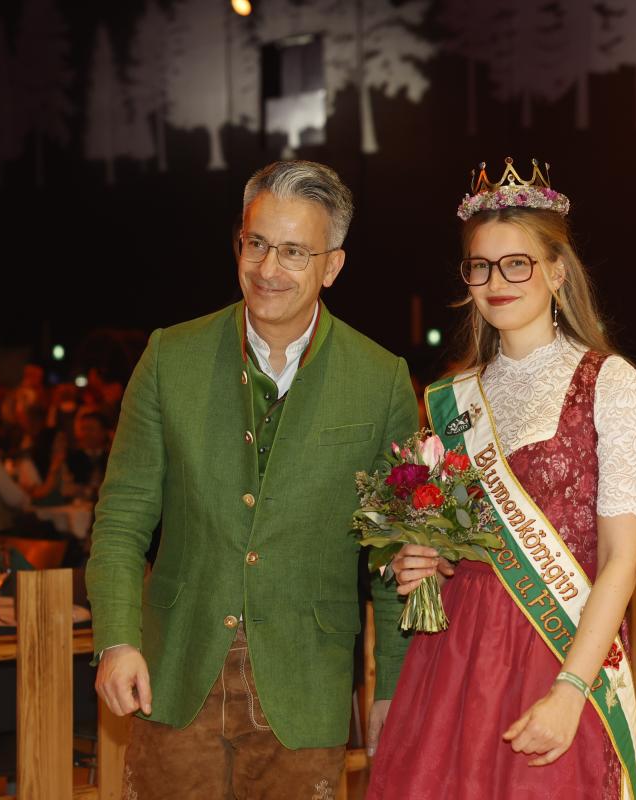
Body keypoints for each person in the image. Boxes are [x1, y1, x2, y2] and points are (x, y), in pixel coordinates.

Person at [86, 160, 417, 799]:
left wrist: (393, 689)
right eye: (256, 244)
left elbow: (396, 556)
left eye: (294, 252)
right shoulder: (169, 357)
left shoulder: (380, 380)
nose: (269, 268)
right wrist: (117, 641)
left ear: (332, 266)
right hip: (175, 673)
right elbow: (122, 518)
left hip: (307, 684)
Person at [367, 158, 636, 800]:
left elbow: (622, 559)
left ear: (557, 271)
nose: (496, 282)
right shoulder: (451, 399)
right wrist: (424, 559)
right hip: (453, 659)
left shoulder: (610, 385)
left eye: (517, 263)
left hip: (557, 652)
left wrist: (571, 689)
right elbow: (453, 543)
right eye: (480, 266)